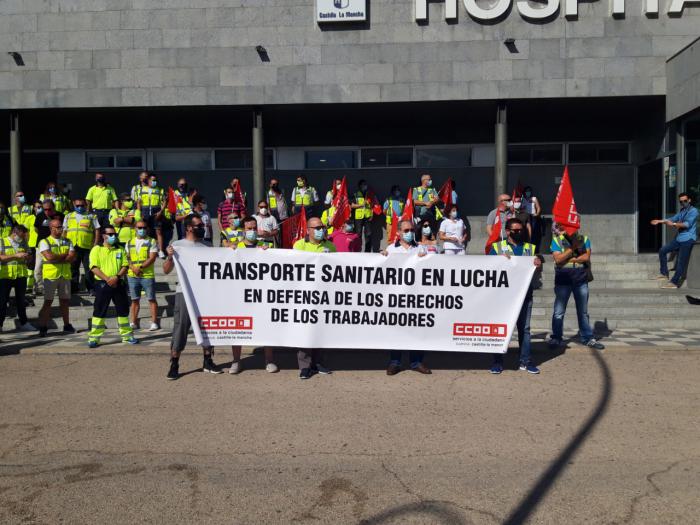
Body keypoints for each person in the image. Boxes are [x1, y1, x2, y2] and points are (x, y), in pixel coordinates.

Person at [164, 214, 222, 379]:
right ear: (189, 227)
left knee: (207, 327)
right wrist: (169, 256)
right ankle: (174, 363)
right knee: (181, 327)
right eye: (198, 225)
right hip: (184, 292)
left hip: (203, 293)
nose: (202, 228)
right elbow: (166, 269)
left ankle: (207, 360)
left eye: (202, 225)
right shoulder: (177, 245)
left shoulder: (207, 246)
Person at [488, 218, 541, 374]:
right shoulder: (498, 247)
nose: (519, 233)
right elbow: (488, 268)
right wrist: (499, 261)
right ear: (508, 231)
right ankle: (497, 362)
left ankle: (525, 361)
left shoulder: (529, 248)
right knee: (500, 328)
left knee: (524, 329)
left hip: (524, 295)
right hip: (502, 297)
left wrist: (538, 264)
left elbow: (535, 271)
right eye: (515, 230)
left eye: (521, 230)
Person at [228, 216, 278, 374]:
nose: (251, 231)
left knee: (266, 326)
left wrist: (269, 253)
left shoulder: (267, 245)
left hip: (262, 294)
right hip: (240, 294)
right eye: (248, 228)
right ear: (243, 230)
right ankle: (236, 361)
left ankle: (269, 360)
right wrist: (231, 251)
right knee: (237, 328)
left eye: (254, 228)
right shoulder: (236, 248)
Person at [381, 220, 430, 375]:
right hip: (397, 297)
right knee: (396, 330)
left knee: (417, 330)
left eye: (412, 230)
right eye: (406, 230)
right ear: (399, 232)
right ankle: (395, 362)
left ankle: (416, 362)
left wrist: (426, 258)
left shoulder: (421, 248)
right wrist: (382, 257)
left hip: (416, 297)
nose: (410, 233)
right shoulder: (391, 249)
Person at [548, 223, 605, 350]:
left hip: (580, 278)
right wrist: (572, 249)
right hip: (563, 279)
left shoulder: (584, 239)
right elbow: (557, 260)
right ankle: (556, 338)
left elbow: (586, 257)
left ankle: (587, 338)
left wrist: (568, 260)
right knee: (558, 311)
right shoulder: (557, 240)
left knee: (583, 312)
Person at [293, 217, 335, 380]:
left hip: (323, 294)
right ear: (308, 229)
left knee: (321, 330)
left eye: (322, 227)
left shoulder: (330, 246)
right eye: (317, 227)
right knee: (305, 330)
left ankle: (318, 363)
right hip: (304, 294)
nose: (320, 230)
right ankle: (304, 366)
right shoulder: (300, 245)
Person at [87, 226, 138, 348]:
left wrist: (117, 277)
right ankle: (94, 338)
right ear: (103, 235)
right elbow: (94, 267)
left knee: (123, 310)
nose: (113, 236)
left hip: (118, 283)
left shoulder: (120, 249)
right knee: (99, 310)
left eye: (114, 234)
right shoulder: (96, 249)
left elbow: (125, 266)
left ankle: (126, 336)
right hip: (102, 284)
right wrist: (107, 279)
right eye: (110, 234)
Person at [37, 219, 76, 337]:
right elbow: (49, 257)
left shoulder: (68, 240)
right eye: (58, 227)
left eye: (61, 227)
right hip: (51, 276)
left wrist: (58, 257)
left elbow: (72, 257)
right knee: (48, 301)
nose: (60, 229)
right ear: (51, 228)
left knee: (65, 301)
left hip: (65, 275)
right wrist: (64, 255)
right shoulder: (44, 241)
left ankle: (67, 325)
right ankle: (43, 327)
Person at [651, 192, 698, 289]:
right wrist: (659, 221)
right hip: (679, 239)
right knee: (662, 250)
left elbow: (686, 224)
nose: (683, 203)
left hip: (688, 239)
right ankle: (664, 273)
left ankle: (674, 283)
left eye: (685, 201)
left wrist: (673, 224)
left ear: (689, 200)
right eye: (681, 202)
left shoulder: (694, 211)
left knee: (681, 261)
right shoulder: (682, 211)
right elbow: (672, 219)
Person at [0, 225, 35, 333]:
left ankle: (24, 323)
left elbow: (30, 256)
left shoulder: (24, 242)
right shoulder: (2, 241)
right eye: (21, 235)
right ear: (15, 232)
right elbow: (1, 257)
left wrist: (28, 257)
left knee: (21, 300)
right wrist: (16, 256)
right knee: (2, 302)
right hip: (5, 276)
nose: (23, 237)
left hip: (20, 275)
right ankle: (0, 325)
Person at [126, 220, 159, 331]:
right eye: (139, 227)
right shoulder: (129, 242)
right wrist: (133, 268)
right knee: (134, 300)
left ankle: (154, 322)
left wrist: (139, 268)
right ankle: (133, 321)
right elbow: (127, 258)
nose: (142, 230)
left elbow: (152, 257)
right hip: (132, 275)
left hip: (147, 275)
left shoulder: (152, 241)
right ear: (135, 228)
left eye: (144, 227)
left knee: (151, 299)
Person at [63, 198, 100, 294]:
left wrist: (95, 244)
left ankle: (91, 288)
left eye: (82, 205)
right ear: (74, 205)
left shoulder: (91, 216)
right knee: (73, 268)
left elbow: (97, 230)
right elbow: (64, 231)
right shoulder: (68, 216)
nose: (80, 207)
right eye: (77, 205)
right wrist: (63, 245)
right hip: (73, 246)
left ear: (86, 205)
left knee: (89, 269)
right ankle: (74, 288)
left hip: (87, 246)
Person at [33, 200, 62, 295]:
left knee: (56, 266)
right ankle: (39, 288)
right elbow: (36, 228)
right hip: (41, 244)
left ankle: (57, 288)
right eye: (45, 209)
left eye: (49, 209)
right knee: (38, 267)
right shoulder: (40, 215)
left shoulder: (60, 215)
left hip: (55, 244)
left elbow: (63, 229)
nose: (47, 211)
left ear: (53, 207)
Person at [137, 173, 166, 259]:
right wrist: (140, 213)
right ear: (148, 181)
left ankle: (161, 251)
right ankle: (147, 251)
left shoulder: (160, 190)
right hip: (145, 213)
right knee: (146, 232)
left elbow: (164, 201)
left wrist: (161, 211)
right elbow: (139, 202)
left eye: (156, 180)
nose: (155, 182)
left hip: (156, 212)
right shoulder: (141, 189)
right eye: (153, 180)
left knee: (159, 232)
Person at [350, 179, 374, 252]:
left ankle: (367, 252)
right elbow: (352, 205)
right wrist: (361, 205)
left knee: (368, 234)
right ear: (359, 186)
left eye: (365, 184)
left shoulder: (370, 194)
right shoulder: (356, 194)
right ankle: (357, 251)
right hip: (358, 217)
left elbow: (373, 205)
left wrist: (372, 214)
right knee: (358, 234)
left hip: (367, 217)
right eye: (363, 185)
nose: (364, 186)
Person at [523, 186, 542, 251]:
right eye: (526, 191)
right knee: (526, 232)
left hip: (533, 217)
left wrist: (537, 214)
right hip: (525, 217)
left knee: (533, 232)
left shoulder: (534, 198)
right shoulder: (523, 199)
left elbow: (538, 207)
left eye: (529, 191)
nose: (528, 192)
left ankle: (533, 247)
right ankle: (526, 246)